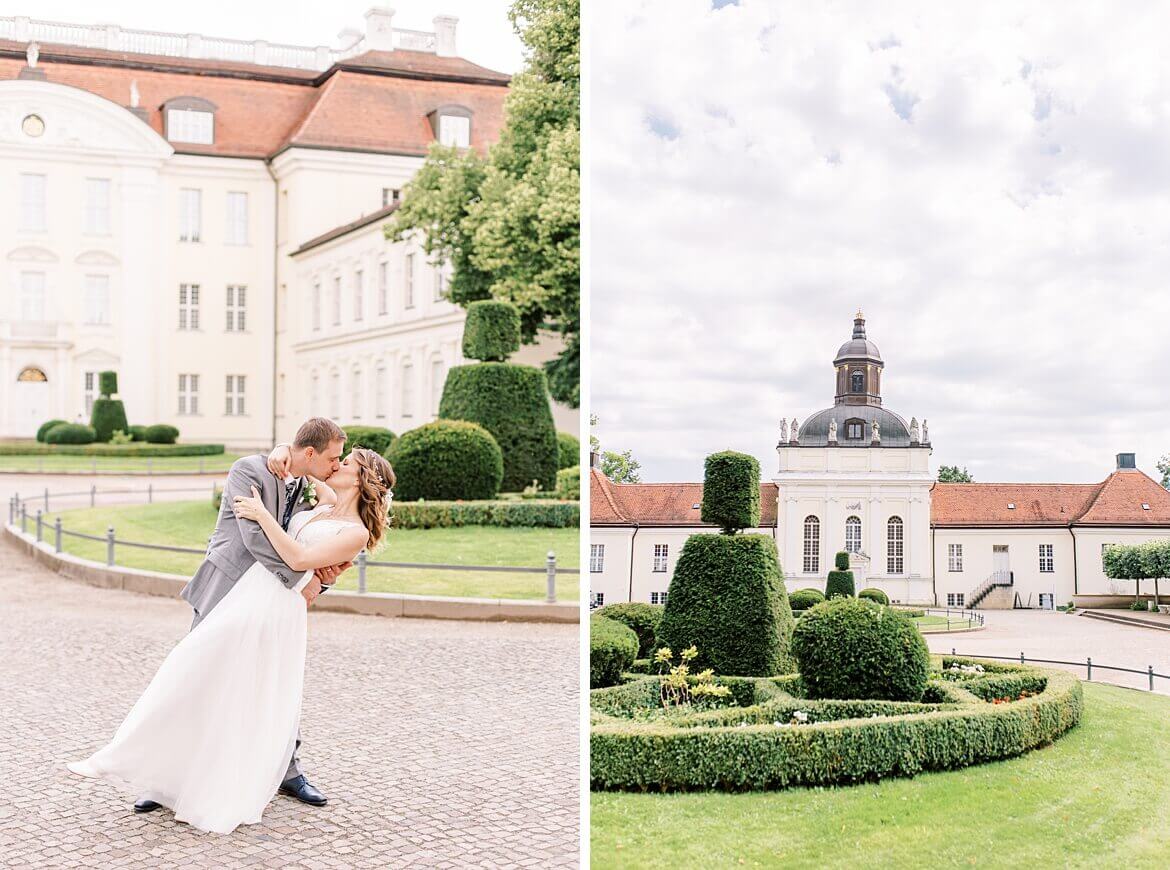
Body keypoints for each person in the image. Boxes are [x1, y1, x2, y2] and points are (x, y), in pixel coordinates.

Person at [67, 419, 396, 834]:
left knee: (264, 689)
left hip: (276, 604)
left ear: (361, 478)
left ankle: (281, 771)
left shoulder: (329, 503)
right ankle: (160, 776)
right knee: (193, 677)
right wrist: (306, 578)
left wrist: (318, 580)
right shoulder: (254, 471)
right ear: (310, 453)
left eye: (343, 462)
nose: (336, 465)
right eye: (334, 457)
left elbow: (308, 553)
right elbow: (262, 541)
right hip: (229, 588)